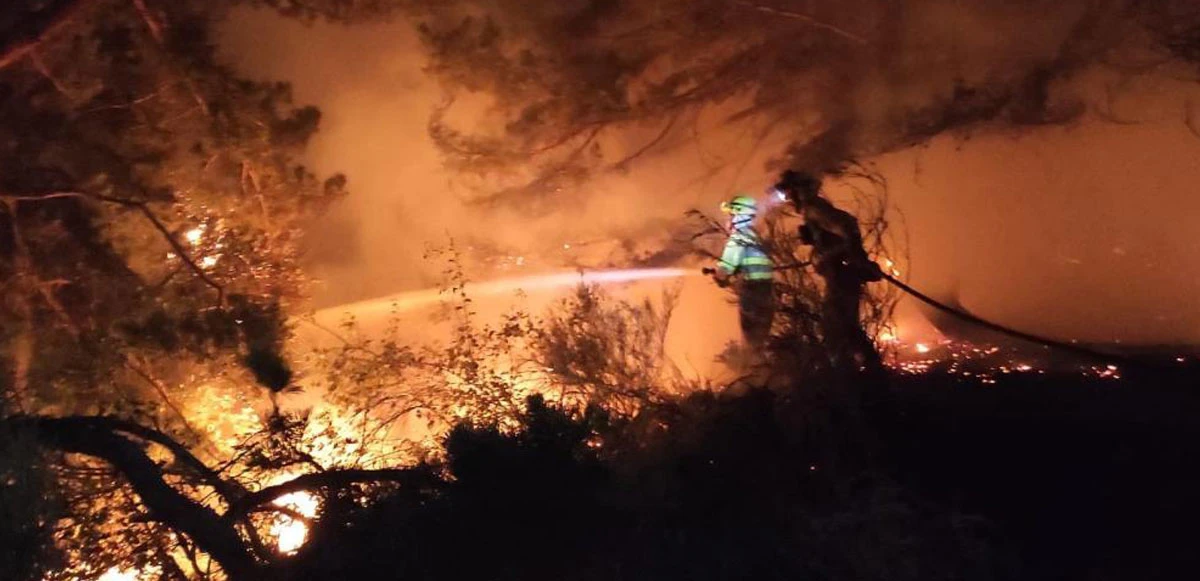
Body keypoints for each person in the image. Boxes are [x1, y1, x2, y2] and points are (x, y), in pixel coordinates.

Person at [774, 171, 884, 375]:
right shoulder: (815, 208)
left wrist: (824, 255)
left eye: (789, 192)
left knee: (833, 329)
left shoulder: (814, 208)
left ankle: (846, 379)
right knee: (849, 329)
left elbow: (846, 227)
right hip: (842, 274)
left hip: (839, 275)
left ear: (799, 190)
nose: (787, 198)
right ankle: (873, 377)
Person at [708, 194, 775, 348]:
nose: (730, 219)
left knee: (751, 342)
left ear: (740, 215)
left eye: (732, 215)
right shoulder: (755, 236)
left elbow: (726, 268)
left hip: (752, 293)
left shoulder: (738, 238)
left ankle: (752, 368)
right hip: (767, 293)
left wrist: (720, 276)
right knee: (761, 338)